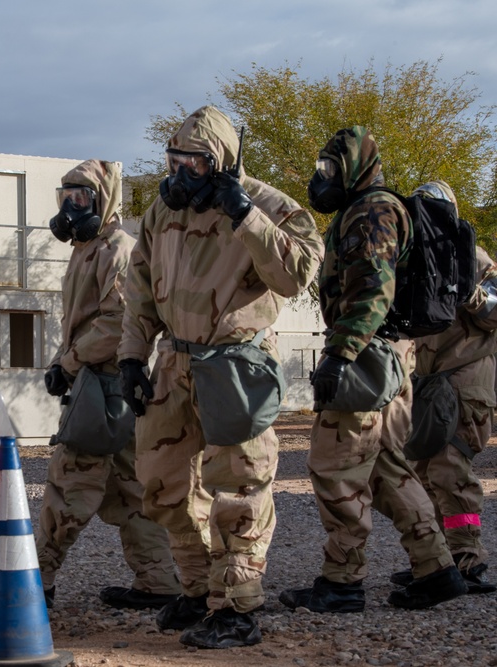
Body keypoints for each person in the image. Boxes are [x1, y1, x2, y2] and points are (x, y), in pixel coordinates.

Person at [118, 105, 324, 649]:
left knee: (238, 486)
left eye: (195, 161)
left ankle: (236, 606)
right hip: (174, 362)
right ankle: (198, 588)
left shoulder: (268, 204)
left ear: (222, 161)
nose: (180, 170)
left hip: (235, 362)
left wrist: (246, 215)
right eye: (174, 159)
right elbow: (139, 286)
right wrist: (131, 358)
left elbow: (298, 273)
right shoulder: (164, 209)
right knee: (162, 484)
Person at [280, 128, 468, 615]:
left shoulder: (372, 211)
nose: (321, 180)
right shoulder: (374, 208)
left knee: (333, 468)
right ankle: (437, 570)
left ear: (355, 166)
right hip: (386, 354)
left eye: (329, 169)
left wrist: (340, 356)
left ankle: (343, 582)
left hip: (364, 356)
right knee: (388, 469)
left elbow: (372, 290)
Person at [37, 159, 182, 612]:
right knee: (133, 491)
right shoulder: (89, 249)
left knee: (69, 483)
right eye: (67, 196)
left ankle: (34, 582)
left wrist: (70, 361)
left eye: (82, 197)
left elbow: (119, 322)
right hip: (105, 385)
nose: (71, 206)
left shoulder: (116, 250)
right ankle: (158, 581)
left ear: (106, 200)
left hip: (103, 386)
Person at [391, 181, 496, 594]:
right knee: (422, 472)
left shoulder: (473, 256)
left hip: (466, 375)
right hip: (427, 380)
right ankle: (437, 561)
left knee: (450, 470)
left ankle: (467, 558)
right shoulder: (413, 258)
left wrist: (468, 290)